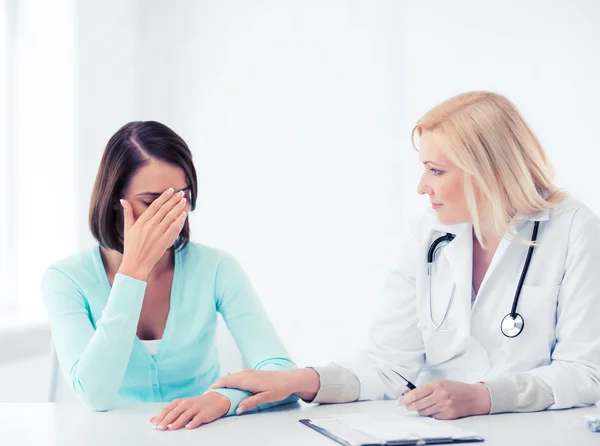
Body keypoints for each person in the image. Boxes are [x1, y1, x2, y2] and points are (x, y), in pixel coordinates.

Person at [209, 91, 600, 419]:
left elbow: (585, 373)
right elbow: (390, 365)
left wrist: (486, 395)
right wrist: (301, 380)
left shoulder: (572, 228)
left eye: (435, 170)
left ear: (488, 170)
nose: (421, 187)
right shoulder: (428, 235)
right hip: (437, 433)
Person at [42, 121, 297, 430]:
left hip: (201, 433)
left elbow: (280, 371)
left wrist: (222, 399)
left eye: (182, 198)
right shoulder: (65, 279)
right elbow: (94, 394)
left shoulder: (217, 268)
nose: (172, 215)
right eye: (152, 202)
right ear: (113, 200)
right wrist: (134, 271)